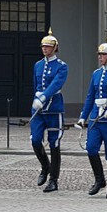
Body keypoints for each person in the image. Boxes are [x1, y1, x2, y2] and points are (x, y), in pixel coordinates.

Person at [77, 35, 107, 199]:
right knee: (91, 148)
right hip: (95, 118)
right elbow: (90, 97)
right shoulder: (96, 74)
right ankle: (100, 180)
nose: (100, 57)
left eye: (103, 55)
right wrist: (83, 117)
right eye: (99, 55)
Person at [30, 28, 68, 193]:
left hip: (53, 108)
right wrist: (36, 100)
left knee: (54, 143)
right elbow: (35, 84)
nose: (44, 49)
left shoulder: (61, 66)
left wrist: (43, 98)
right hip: (38, 111)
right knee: (35, 140)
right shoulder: (38, 65)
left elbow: (56, 85)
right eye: (43, 46)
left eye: (47, 46)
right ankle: (45, 166)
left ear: (54, 48)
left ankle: (53, 179)